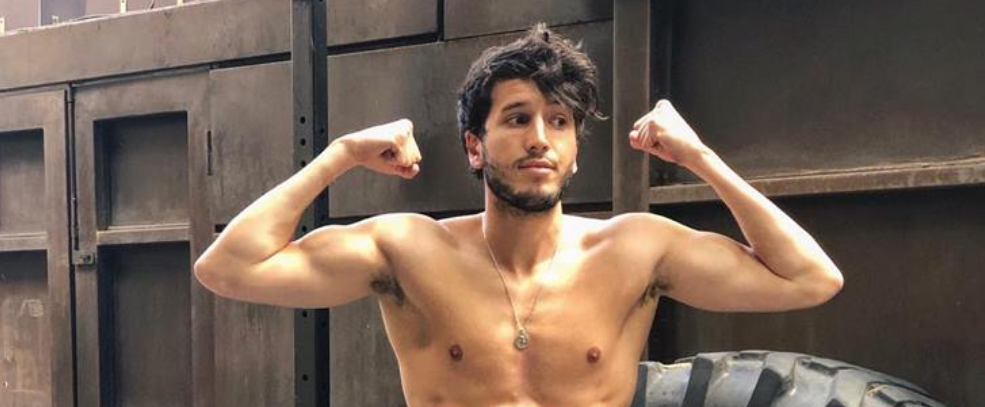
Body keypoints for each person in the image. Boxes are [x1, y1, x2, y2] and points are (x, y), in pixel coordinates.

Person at [194, 24, 843, 407]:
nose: (540, 139)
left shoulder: (636, 251)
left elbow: (811, 278)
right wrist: (340, 154)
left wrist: (700, 156)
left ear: (575, 149)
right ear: (475, 146)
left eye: (559, 122)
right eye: (517, 118)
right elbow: (227, 268)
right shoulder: (409, 251)